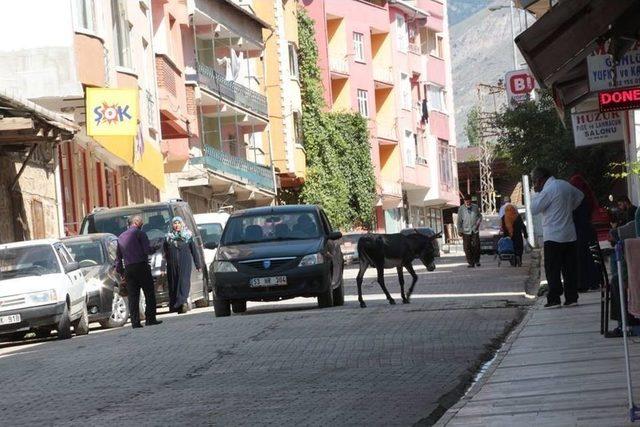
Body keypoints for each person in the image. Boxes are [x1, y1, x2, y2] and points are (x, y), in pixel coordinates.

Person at [531, 167, 584, 308]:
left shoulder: (548, 190)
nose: (535, 184)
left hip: (553, 236)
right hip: (569, 235)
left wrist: (536, 192)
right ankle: (572, 298)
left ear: (540, 179)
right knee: (570, 269)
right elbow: (580, 196)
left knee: (553, 270)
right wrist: (569, 208)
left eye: (535, 181)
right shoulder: (565, 185)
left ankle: (554, 298)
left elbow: (533, 208)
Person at [115, 215, 162, 328]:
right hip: (141, 266)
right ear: (136, 222)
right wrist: (154, 248)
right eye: (141, 222)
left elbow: (118, 257)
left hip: (129, 269)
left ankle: (135, 322)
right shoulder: (140, 234)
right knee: (149, 293)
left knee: (133, 296)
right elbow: (146, 250)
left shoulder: (120, 237)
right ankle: (150, 319)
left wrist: (121, 273)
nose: (142, 224)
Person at [569, 173, 600, 292]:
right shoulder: (588, 197)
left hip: (580, 231)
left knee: (581, 257)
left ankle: (583, 283)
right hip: (588, 229)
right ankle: (594, 281)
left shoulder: (578, 200)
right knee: (591, 257)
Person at [164, 216, 201, 314]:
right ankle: (176, 305)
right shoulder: (168, 238)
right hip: (172, 265)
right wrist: (164, 266)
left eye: (178, 223)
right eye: (175, 223)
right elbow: (165, 253)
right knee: (174, 283)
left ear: (182, 224)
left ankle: (183, 302)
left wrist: (198, 265)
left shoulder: (188, 236)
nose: (177, 225)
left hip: (185, 263)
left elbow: (194, 251)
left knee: (184, 282)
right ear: (172, 225)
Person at [457, 194, 482, 268]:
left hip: (475, 230)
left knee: (476, 246)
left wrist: (478, 221)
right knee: (467, 247)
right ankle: (471, 263)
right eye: (466, 202)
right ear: (464, 201)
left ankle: (477, 260)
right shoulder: (461, 209)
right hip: (466, 230)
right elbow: (459, 221)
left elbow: (480, 216)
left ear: (471, 201)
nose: (468, 203)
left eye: (469, 202)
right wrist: (459, 230)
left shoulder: (475, 207)